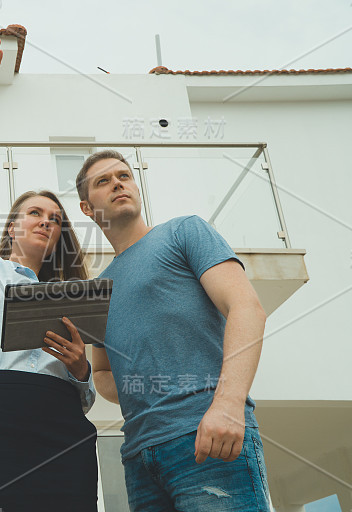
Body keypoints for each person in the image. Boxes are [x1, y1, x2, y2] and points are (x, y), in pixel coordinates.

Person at [52, 151, 270, 510]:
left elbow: (247, 308)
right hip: (139, 458)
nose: (118, 183)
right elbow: (104, 372)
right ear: (87, 208)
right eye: (103, 181)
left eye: (124, 175)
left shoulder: (184, 231)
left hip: (207, 436)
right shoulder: (99, 288)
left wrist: (229, 404)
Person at [0, 31, 99, 512]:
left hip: (62, 422)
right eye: (35, 213)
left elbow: (87, 396)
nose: (46, 222)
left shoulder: (72, 295)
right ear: (11, 226)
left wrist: (80, 369)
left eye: (55, 219)